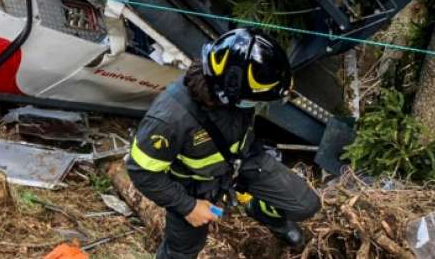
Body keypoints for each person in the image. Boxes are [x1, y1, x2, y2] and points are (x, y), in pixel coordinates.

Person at [127, 29, 321, 258]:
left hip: (242, 160)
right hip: (194, 184)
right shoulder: (169, 119)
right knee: (181, 252)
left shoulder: (234, 91)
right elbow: (141, 172)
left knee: (305, 204)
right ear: (227, 92)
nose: (255, 106)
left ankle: (261, 211)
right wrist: (187, 206)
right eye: (254, 100)